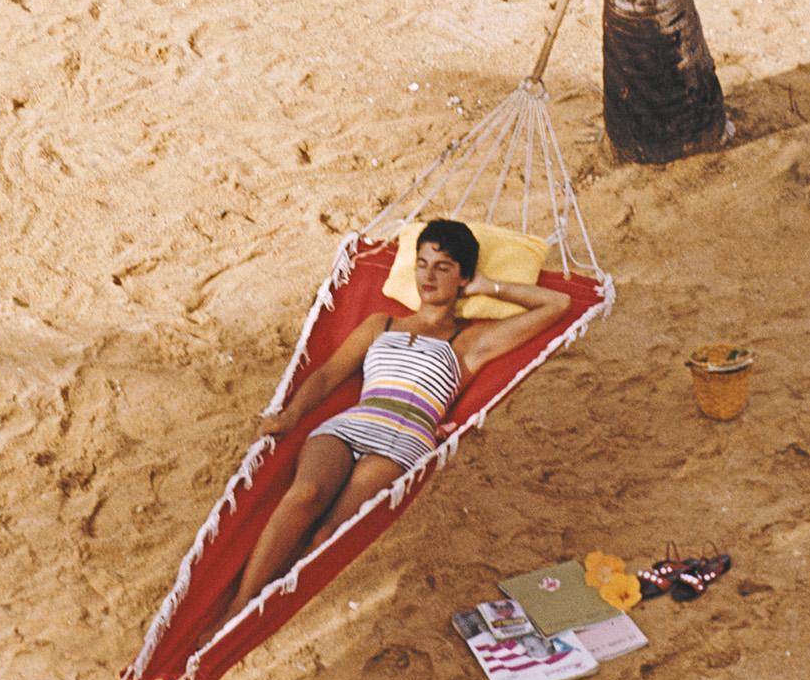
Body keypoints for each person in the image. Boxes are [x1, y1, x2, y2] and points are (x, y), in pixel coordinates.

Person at [221, 220, 570, 617]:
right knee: (304, 495)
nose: (428, 275)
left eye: (443, 267)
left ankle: (265, 616)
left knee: (329, 533)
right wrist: (290, 417)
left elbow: (556, 306)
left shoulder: (470, 342)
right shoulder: (381, 324)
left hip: (406, 439)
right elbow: (326, 375)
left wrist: (489, 287)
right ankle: (238, 607)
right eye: (422, 263)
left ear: (463, 277)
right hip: (352, 422)